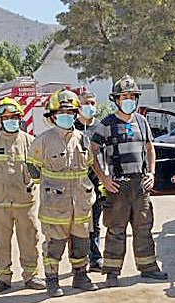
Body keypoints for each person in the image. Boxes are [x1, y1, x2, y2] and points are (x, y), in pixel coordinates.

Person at [89, 75, 168, 287]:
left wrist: (151, 173)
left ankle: (149, 267)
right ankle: (112, 272)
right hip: (118, 186)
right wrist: (104, 179)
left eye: (132, 96)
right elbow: (92, 153)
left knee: (144, 227)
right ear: (116, 99)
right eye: (124, 96)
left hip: (140, 185)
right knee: (116, 229)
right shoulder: (106, 124)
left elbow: (150, 148)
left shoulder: (142, 122)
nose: (128, 100)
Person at [29, 89, 99, 296]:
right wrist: (49, 185)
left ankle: (80, 276)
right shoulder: (43, 140)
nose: (67, 115)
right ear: (53, 116)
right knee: (54, 246)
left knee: (81, 243)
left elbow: (88, 165)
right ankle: (52, 280)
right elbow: (33, 167)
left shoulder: (82, 139)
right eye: (62, 112)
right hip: (55, 206)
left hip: (81, 204)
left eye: (71, 112)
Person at [0, 97, 45, 293]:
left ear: (20, 118)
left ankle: (31, 275)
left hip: (25, 203)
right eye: (6, 117)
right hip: (1, 204)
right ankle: (3, 278)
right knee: (1, 242)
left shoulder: (30, 141)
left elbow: (38, 168)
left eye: (14, 117)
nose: (11, 120)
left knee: (29, 240)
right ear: (1, 120)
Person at [74, 91, 104, 272]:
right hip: (75, 185)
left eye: (92, 103)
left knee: (95, 222)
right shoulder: (72, 127)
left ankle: (95, 258)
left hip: (96, 183)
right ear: (79, 106)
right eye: (86, 103)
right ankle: (78, 260)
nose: (90, 106)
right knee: (78, 225)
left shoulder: (101, 127)